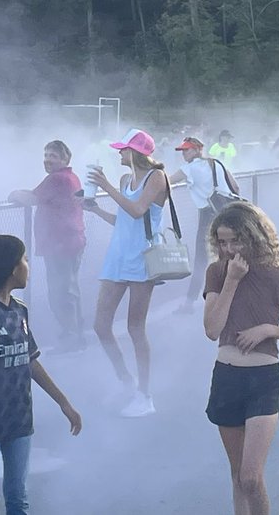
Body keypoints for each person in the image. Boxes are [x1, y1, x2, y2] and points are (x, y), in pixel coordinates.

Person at [0, 235, 82, 515]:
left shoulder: (20, 310)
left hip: (19, 421)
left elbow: (31, 361)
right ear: (11, 268)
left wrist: (64, 403)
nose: (29, 266)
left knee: (17, 497)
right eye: (25, 260)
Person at [203, 201, 279, 515]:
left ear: (252, 238)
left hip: (263, 380)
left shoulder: (276, 276)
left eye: (234, 240)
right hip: (227, 376)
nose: (227, 249)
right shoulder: (216, 273)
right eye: (221, 242)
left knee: (251, 477)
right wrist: (232, 281)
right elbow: (212, 329)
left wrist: (268, 329)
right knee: (238, 477)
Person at [84, 128, 169, 417]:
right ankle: (125, 380)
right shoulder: (124, 179)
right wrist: (94, 209)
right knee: (100, 324)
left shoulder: (156, 177)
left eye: (123, 149)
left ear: (134, 152)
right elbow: (122, 220)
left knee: (135, 328)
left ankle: (145, 396)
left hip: (142, 259)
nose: (119, 153)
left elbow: (137, 210)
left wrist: (105, 186)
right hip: (118, 258)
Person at [7, 140, 86, 352]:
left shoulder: (58, 179)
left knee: (61, 291)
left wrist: (14, 194)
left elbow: (32, 198)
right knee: (69, 288)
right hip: (70, 241)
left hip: (61, 243)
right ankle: (75, 334)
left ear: (65, 160)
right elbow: (39, 195)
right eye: (46, 155)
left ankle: (72, 338)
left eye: (53, 156)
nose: (48, 160)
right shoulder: (70, 177)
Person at [172, 136, 240, 314]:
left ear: (197, 150)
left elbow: (166, 181)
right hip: (230, 213)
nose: (184, 154)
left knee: (202, 259)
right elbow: (235, 187)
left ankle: (189, 303)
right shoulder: (216, 163)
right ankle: (237, 295)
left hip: (209, 216)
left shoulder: (190, 168)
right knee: (230, 254)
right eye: (182, 151)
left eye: (186, 150)